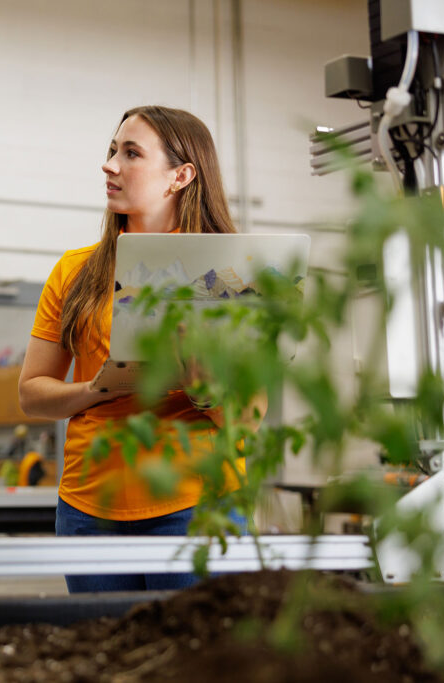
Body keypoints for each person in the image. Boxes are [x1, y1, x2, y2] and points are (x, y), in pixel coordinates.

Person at [19, 106, 265, 592]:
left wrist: (201, 383)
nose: (109, 165)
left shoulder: (229, 273)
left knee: (197, 666)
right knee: (108, 663)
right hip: (90, 513)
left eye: (130, 153)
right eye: (112, 151)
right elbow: (31, 394)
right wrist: (97, 388)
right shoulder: (75, 272)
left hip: (198, 507)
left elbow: (249, 420)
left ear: (182, 175)